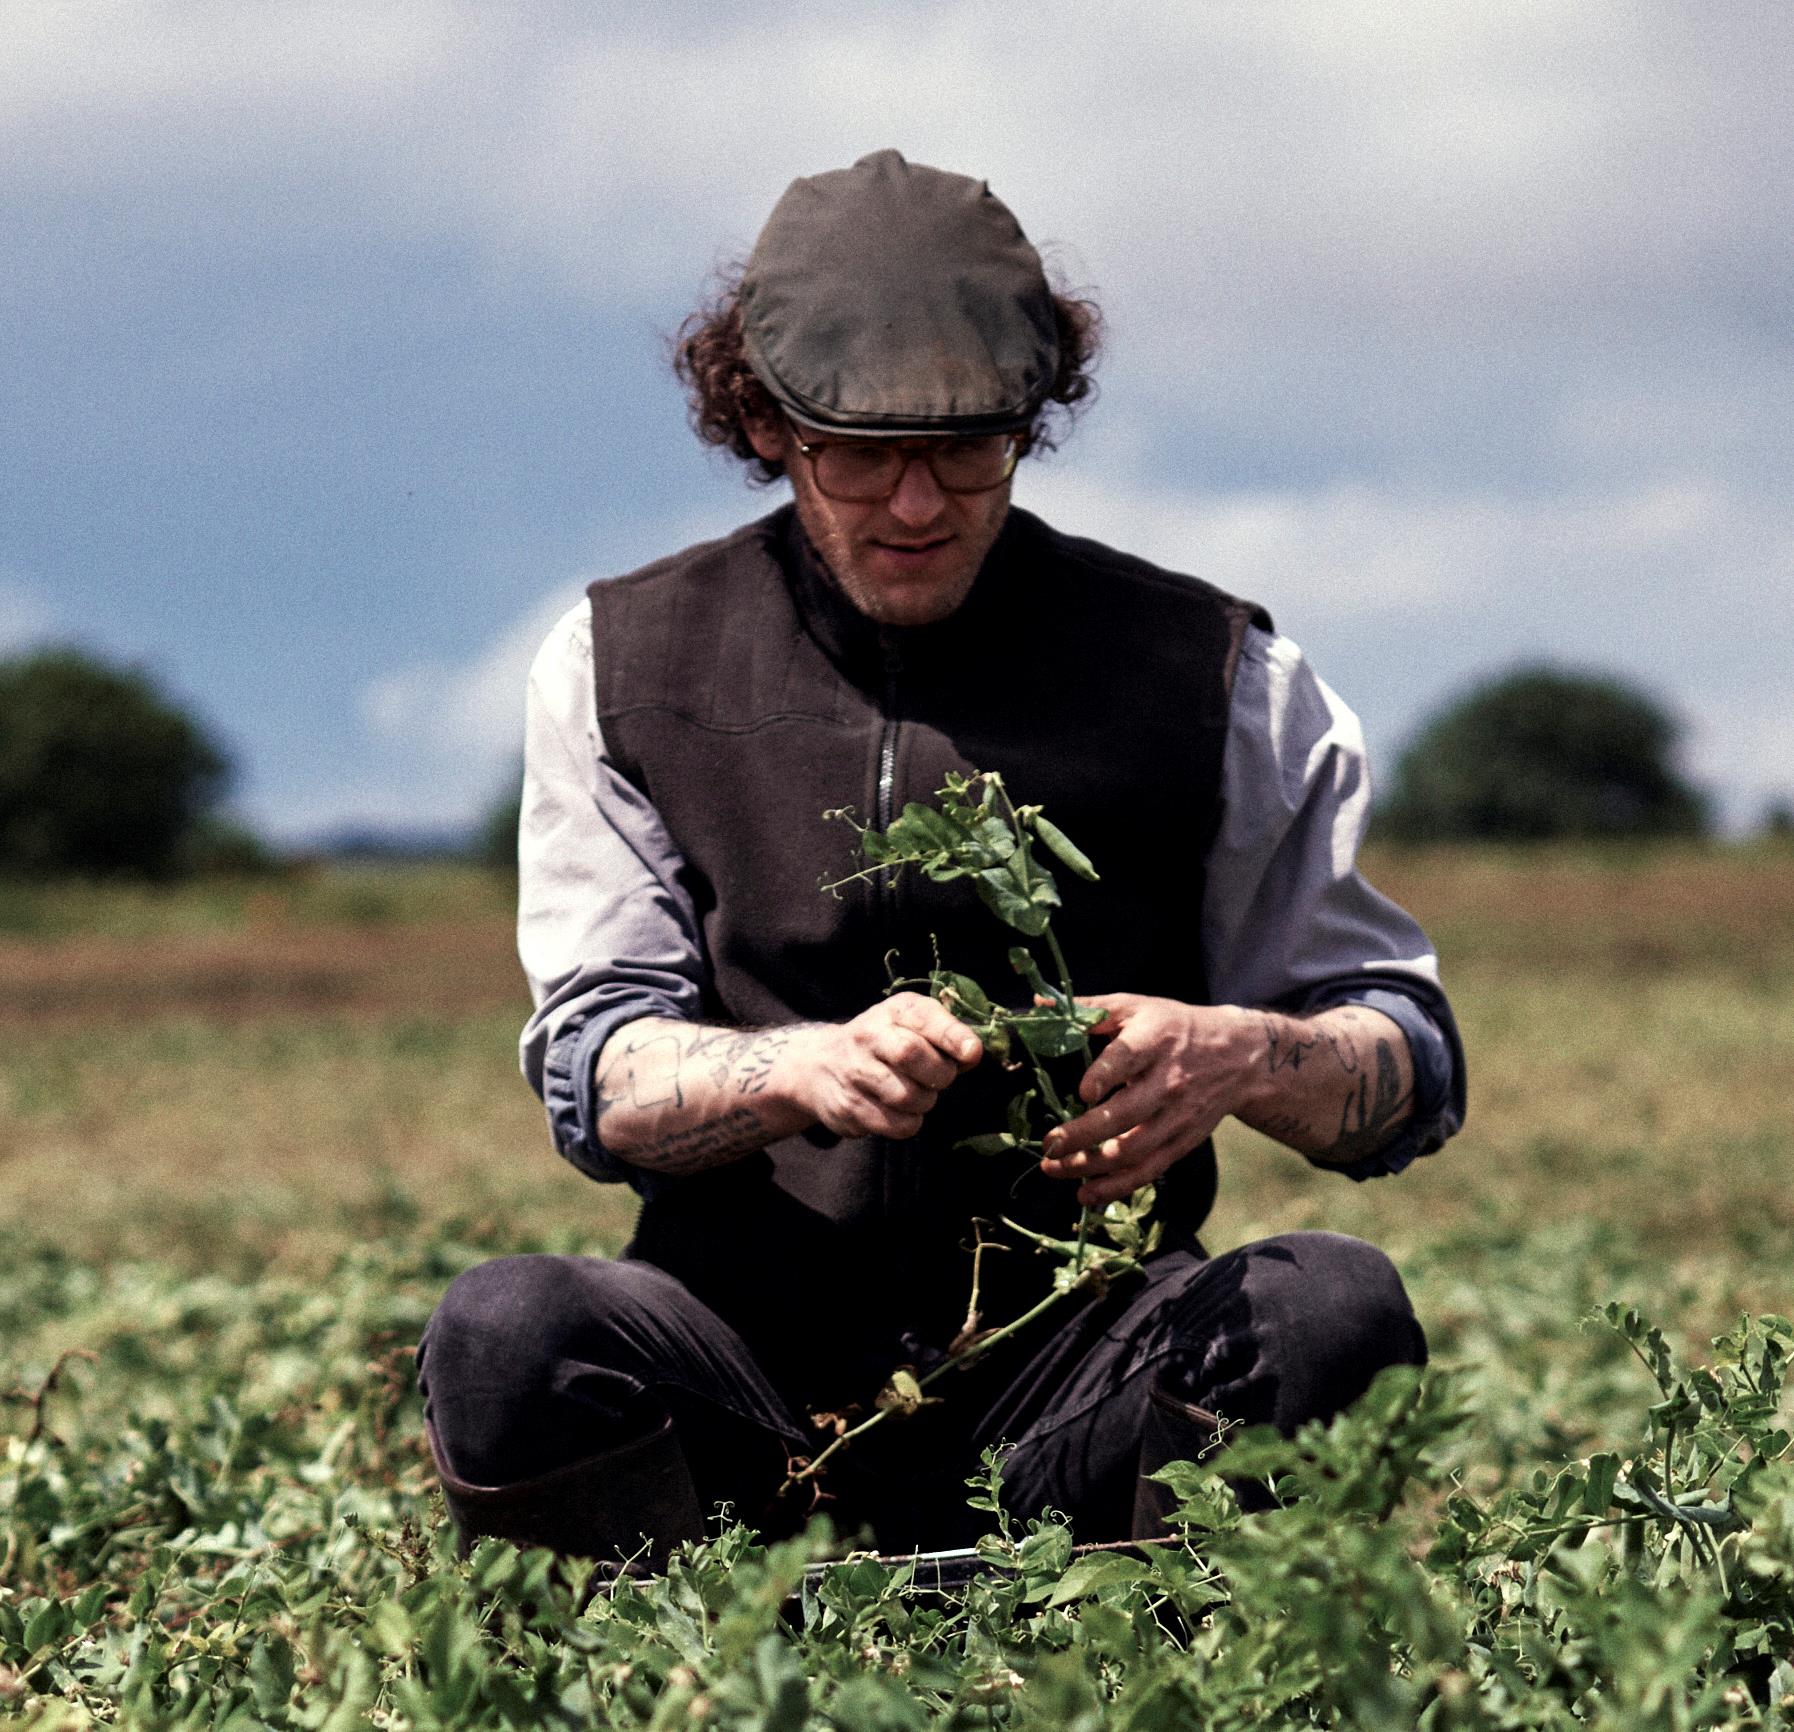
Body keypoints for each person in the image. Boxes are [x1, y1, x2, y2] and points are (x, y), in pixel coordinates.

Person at [417, 150, 1466, 1564]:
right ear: (763, 421)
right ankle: (665, 1654)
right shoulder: (621, 660)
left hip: (1082, 1367)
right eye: (857, 451)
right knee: (507, 1334)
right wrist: (794, 1071)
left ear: (1031, 422)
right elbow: (595, 1070)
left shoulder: (1213, 669)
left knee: (1326, 1308)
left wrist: (1240, 1057)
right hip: (741, 1373)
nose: (915, 507)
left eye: (967, 449)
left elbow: (1405, 1065)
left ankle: (1150, 1638)